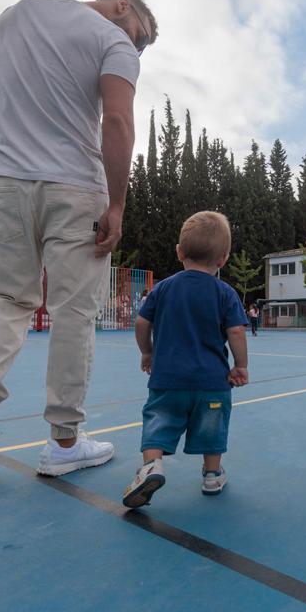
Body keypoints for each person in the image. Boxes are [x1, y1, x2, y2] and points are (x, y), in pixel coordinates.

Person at [0, 0, 157, 473]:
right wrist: (118, 204)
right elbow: (118, 121)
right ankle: (63, 443)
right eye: (139, 35)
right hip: (76, 186)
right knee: (74, 312)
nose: (135, 45)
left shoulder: (14, 15)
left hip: (12, 184)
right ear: (123, 4)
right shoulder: (112, 40)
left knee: (9, 299)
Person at [122, 212, 249, 507]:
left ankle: (151, 466)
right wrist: (240, 366)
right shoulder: (226, 293)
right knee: (212, 428)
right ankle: (212, 474)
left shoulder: (162, 289)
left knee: (158, 422)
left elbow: (142, 323)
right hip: (212, 383)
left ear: (179, 252)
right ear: (224, 259)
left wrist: (147, 351)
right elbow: (236, 332)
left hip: (167, 380)